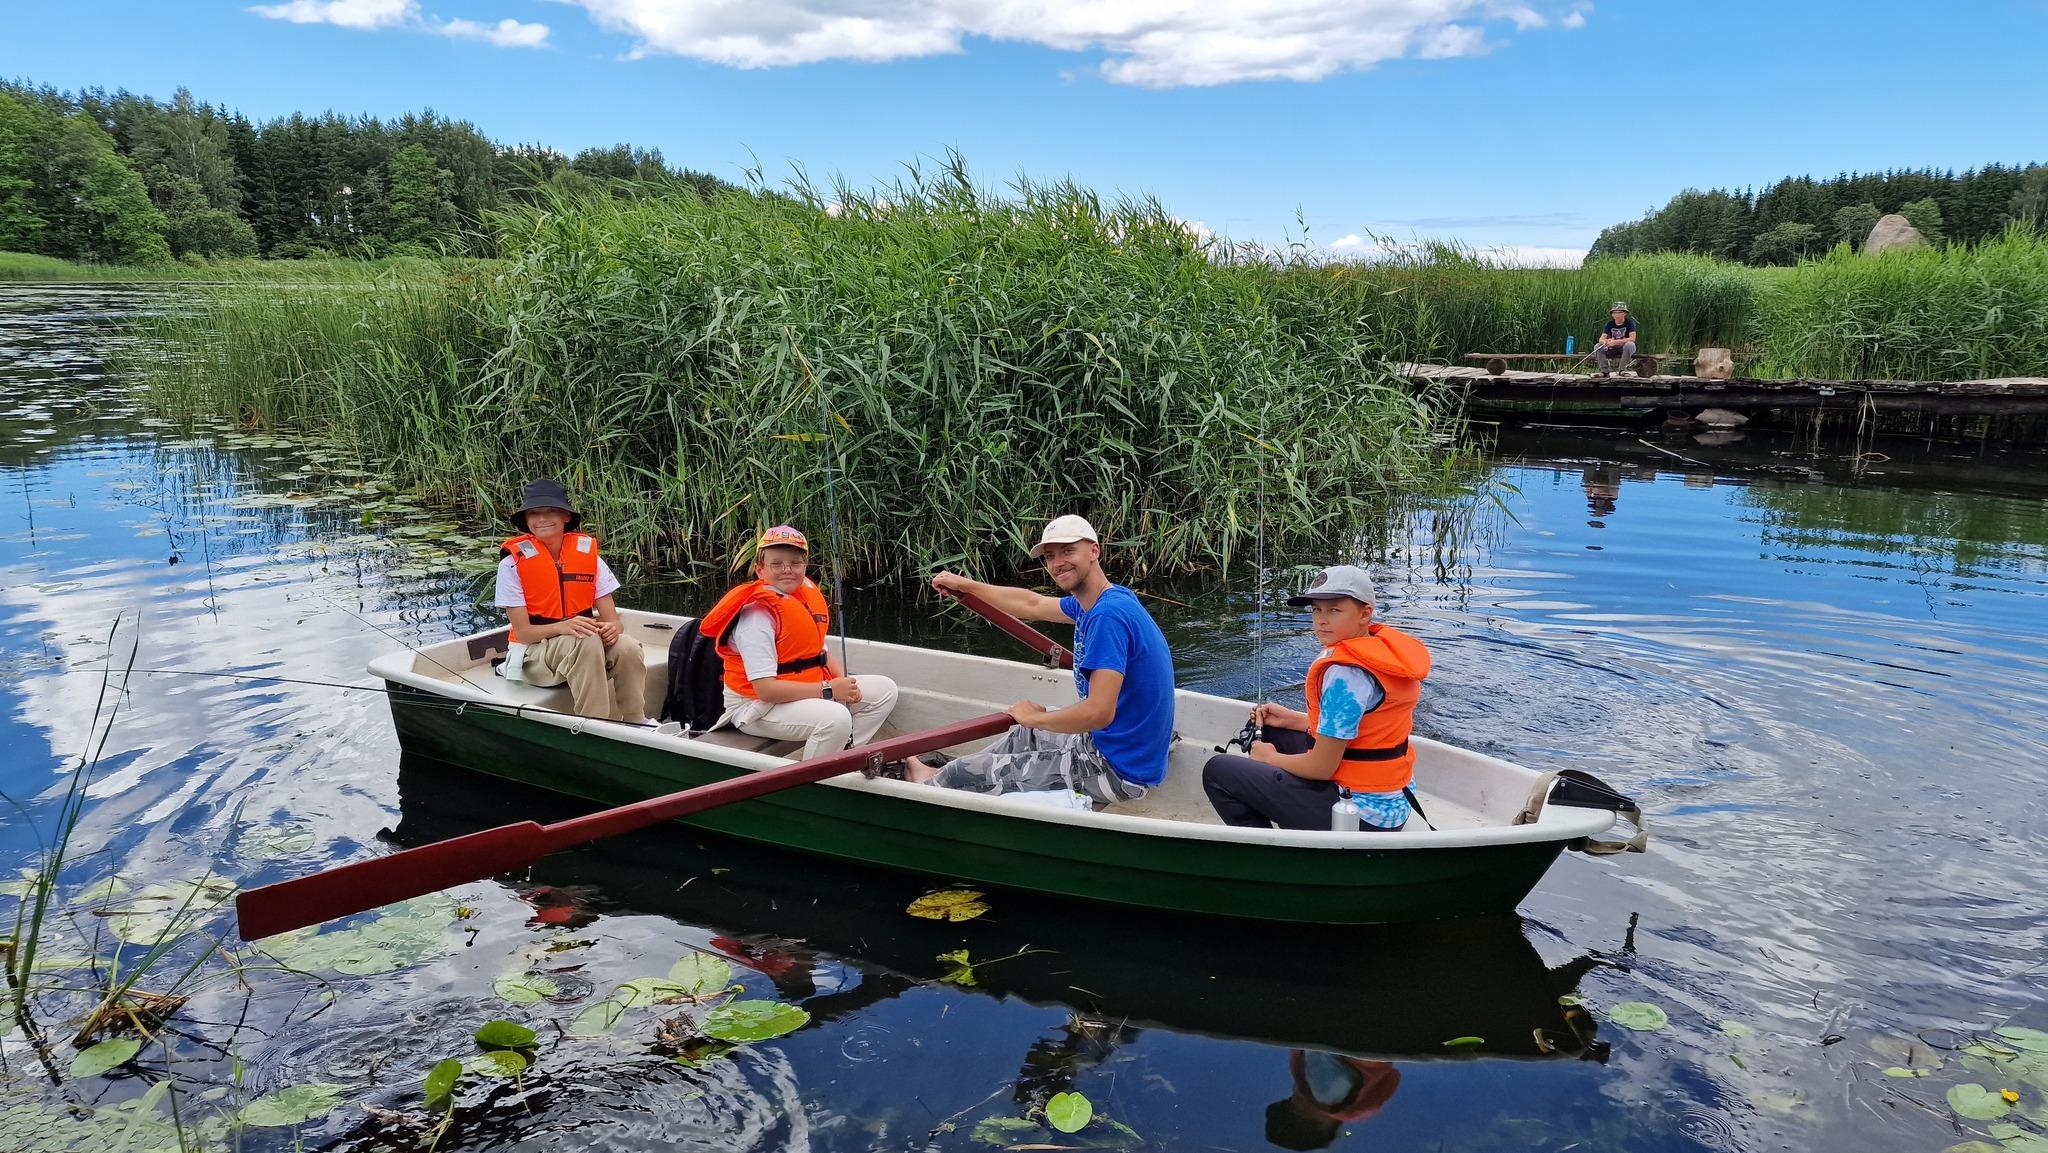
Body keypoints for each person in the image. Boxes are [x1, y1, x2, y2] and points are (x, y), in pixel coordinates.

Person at [906, 514, 1175, 805]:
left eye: (1068, 551)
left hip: (1115, 770)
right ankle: (942, 776)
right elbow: (1031, 604)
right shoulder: (1100, 601)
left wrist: (1036, 717)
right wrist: (967, 586)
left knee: (960, 774)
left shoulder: (1107, 616)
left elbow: (1099, 713)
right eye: (1050, 556)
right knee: (1028, 733)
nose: (1058, 563)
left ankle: (931, 786)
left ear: (1094, 551)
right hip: (1112, 747)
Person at [1201, 565, 1431, 832]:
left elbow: (1322, 767)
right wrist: (1293, 720)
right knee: (1270, 730)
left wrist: (1269, 758)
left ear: (1365, 613)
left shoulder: (1346, 675)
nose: (1322, 620)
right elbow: (1363, 728)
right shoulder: (1379, 652)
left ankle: (1274, 848)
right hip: (1392, 801)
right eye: (1316, 610)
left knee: (1217, 771)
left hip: (1361, 816)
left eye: (1334, 610)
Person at [699, 525, 898, 760]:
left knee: (884, 690)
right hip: (756, 707)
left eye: (795, 563)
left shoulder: (800, 598)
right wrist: (829, 690)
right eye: (776, 564)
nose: (787, 570)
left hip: (805, 688)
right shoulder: (756, 618)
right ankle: (814, 776)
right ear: (760, 570)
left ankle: (843, 758)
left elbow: (820, 653)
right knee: (836, 718)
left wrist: (844, 683)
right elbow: (766, 690)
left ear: (805, 566)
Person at [495, 478, 649, 724]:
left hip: (581, 643)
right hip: (534, 655)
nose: (542, 519)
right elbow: (523, 633)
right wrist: (563, 627)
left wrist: (611, 629)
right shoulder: (511, 564)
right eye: (534, 513)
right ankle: (594, 725)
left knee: (627, 647)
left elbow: (614, 622)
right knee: (586, 640)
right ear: (526, 519)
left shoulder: (589, 557)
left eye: (550, 511)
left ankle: (636, 721)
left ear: (566, 516)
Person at [1591, 301, 1638, 376]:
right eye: (1615, 312)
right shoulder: (1609, 324)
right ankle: (1604, 371)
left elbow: (1632, 338)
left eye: (1620, 312)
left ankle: (1622, 370)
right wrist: (1606, 341)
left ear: (1625, 313)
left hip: (1624, 347)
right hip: (1611, 348)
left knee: (1630, 345)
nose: (1617, 314)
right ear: (1612, 314)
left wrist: (1615, 342)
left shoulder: (1630, 323)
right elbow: (1601, 339)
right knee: (1597, 346)